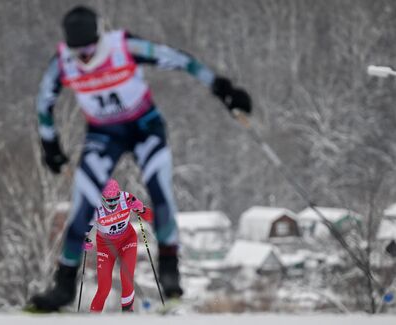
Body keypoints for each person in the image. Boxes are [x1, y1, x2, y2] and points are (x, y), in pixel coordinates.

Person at [30, 5, 252, 311]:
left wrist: (223, 88)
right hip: (103, 135)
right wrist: (50, 145)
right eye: (78, 51)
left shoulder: (123, 47)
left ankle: (170, 275)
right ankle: (64, 287)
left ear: (100, 37)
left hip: (145, 127)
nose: (84, 57)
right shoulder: (63, 63)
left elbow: (180, 60)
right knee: (82, 207)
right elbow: (44, 102)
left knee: (160, 194)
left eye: (90, 49)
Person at [84, 178, 153, 312]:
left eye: (116, 199)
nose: (113, 203)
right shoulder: (95, 207)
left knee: (127, 277)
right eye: (110, 201)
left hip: (127, 241)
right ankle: (92, 318)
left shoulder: (126, 198)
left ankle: (127, 314)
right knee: (104, 287)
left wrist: (142, 209)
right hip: (106, 246)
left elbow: (149, 217)